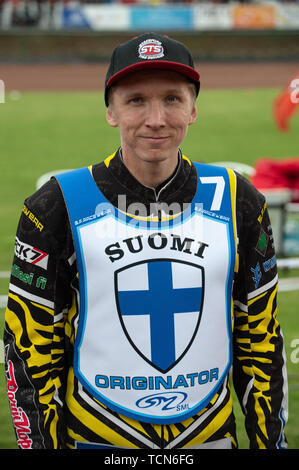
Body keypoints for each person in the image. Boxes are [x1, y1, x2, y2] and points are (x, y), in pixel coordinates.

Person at [4, 32, 288, 450]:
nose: (156, 118)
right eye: (136, 100)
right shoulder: (55, 204)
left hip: (207, 439)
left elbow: (260, 342)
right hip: (97, 440)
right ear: (110, 111)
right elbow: (29, 353)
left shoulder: (239, 198)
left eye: (172, 99)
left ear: (193, 109)